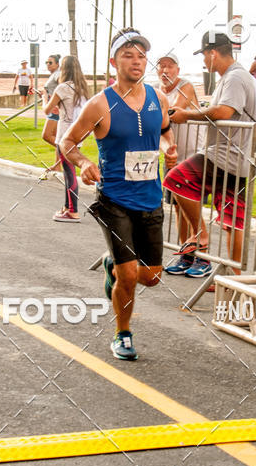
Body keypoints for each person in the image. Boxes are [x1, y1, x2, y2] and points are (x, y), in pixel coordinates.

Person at [59, 29, 177, 362]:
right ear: (114, 62)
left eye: (141, 55)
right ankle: (122, 333)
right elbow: (66, 142)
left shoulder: (159, 98)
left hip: (151, 197)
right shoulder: (100, 104)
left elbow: (165, 131)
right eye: (128, 55)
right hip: (114, 199)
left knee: (151, 277)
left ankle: (114, 263)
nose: (137, 61)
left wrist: (169, 148)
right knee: (128, 276)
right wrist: (83, 161)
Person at [164, 30, 256, 276]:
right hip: (238, 156)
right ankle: (231, 278)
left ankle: (200, 234)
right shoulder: (234, 76)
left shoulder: (235, 77)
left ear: (212, 53)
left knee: (176, 179)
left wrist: (187, 115)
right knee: (232, 222)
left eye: (204, 55)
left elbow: (224, 112)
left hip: (226, 154)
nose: (203, 61)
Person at [155, 52, 201, 258]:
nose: (165, 70)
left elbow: (175, 112)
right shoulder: (156, 93)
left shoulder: (186, 86)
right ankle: (187, 254)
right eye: (161, 66)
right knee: (177, 206)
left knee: (192, 209)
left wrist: (154, 114)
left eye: (170, 66)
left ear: (178, 70)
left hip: (193, 156)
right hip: (172, 155)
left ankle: (200, 255)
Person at [44, 56, 89, 222]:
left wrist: (44, 97)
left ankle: (73, 211)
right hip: (77, 135)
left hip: (64, 136)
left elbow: (46, 110)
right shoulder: (82, 88)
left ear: (64, 70)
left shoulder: (62, 88)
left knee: (69, 173)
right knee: (68, 171)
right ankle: (66, 206)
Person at [38, 54, 62, 173]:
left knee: (46, 136)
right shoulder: (53, 75)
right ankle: (57, 166)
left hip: (55, 110)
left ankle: (66, 150)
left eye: (50, 62)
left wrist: (58, 102)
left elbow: (62, 87)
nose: (48, 64)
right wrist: (43, 95)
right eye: (46, 62)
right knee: (57, 138)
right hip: (53, 108)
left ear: (57, 64)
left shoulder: (58, 74)